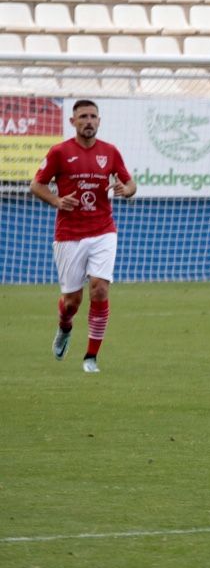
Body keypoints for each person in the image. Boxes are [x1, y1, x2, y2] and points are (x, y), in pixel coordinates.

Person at [29, 99, 136, 373]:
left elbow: (130, 182)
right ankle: (65, 327)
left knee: (100, 288)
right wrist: (56, 200)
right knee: (71, 302)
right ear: (73, 122)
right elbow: (36, 184)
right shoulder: (59, 152)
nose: (88, 121)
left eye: (93, 116)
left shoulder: (110, 152)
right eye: (83, 117)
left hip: (103, 231)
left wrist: (128, 189)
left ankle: (90, 357)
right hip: (69, 235)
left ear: (99, 121)